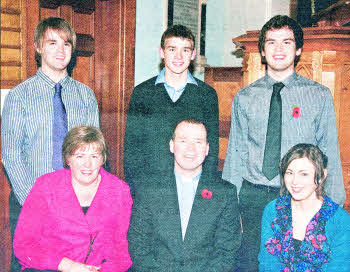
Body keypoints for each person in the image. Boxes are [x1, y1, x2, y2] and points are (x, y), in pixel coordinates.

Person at [222, 15, 345, 271]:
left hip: (298, 197)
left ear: (298, 49)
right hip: (253, 197)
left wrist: (333, 206)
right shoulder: (244, 98)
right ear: (263, 51)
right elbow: (236, 155)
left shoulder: (318, 96)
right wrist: (229, 207)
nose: (279, 49)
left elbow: (328, 151)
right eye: (271, 43)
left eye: (287, 42)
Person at [1, 17, 99, 271]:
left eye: (66, 44)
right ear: (38, 47)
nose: (60, 50)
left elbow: (94, 152)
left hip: (78, 204)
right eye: (52, 43)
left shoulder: (85, 95)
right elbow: (11, 156)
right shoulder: (19, 96)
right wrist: (36, 204)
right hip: (30, 202)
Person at [13, 126, 132, 272]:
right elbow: (24, 246)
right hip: (51, 268)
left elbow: (121, 250)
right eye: (80, 156)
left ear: (103, 159)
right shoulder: (45, 186)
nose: (87, 164)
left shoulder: (119, 190)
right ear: (68, 159)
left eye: (94, 156)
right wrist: (67, 265)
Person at [127, 119, 241, 271]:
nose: (191, 149)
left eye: (198, 142)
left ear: (207, 149)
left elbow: (226, 253)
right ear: (172, 145)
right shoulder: (149, 190)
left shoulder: (225, 194)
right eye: (183, 140)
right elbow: (138, 245)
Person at [124, 24, 219, 196]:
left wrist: (205, 190)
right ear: (162, 52)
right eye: (172, 49)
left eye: (185, 50)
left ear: (193, 54)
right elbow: (132, 150)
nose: (178, 56)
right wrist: (138, 191)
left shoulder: (207, 95)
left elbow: (211, 150)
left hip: (192, 188)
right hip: (150, 189)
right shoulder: (142, 93)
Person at [259, 143, 350, 271]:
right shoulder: (273, 210)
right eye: (289, 173)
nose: (295, 181)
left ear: (322, 176)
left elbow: (340, 267)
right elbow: (267, 263)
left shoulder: (340, 219)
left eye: (304, 174)